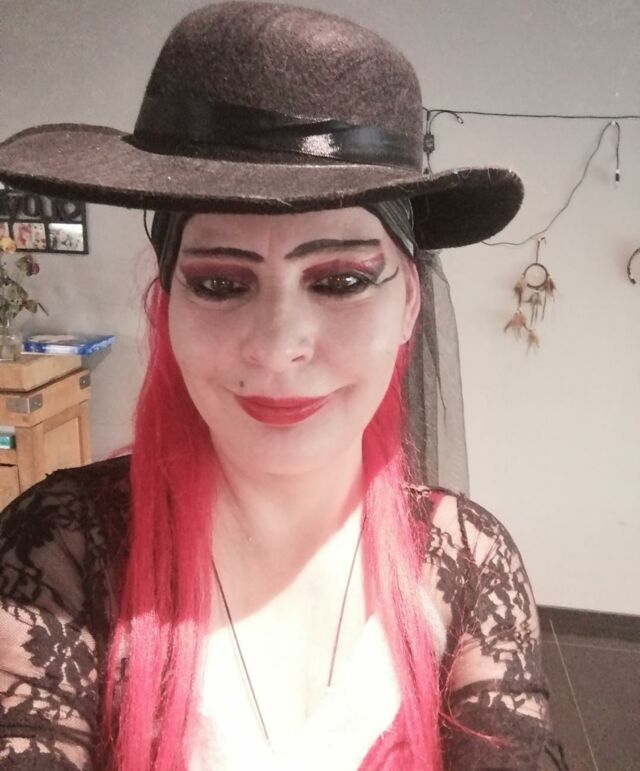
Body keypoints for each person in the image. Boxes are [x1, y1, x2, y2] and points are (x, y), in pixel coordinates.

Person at [0, 3, 568, 770]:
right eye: (220, 283)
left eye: (340, 280)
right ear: (166, 306)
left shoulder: (467, 564)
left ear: (409, 301)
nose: (276, 347)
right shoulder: (61, 553)